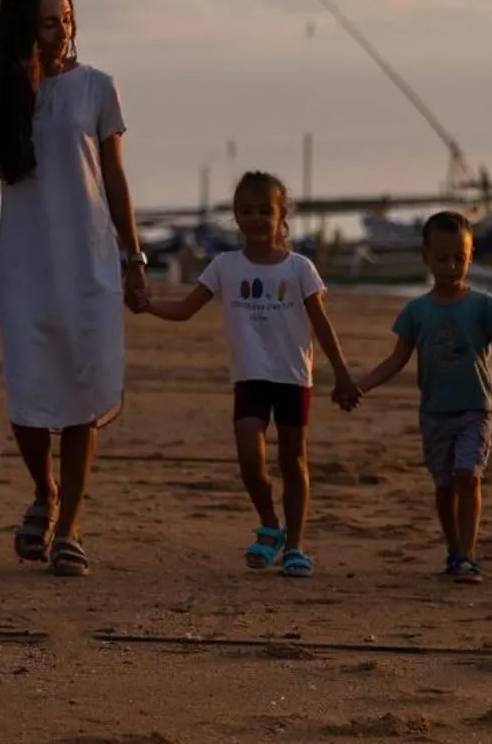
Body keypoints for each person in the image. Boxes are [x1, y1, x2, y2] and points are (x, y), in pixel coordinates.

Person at [0, 0, 148, 578]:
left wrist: (134, 257)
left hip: (89, 262)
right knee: (29, 392)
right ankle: (45, 488)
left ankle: (69, 528)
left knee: (84, 393)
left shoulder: (98, 88)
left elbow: (115, 179)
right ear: (23, 28)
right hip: (24, 266)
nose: (62, 31)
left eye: (66, 19)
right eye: (47, 22)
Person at [138, 170, 360, 578]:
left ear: (281, 215)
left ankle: (295, 545)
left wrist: (342, 375)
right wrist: (149, 305)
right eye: (246, 211)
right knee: (249, 456)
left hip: (292, 376)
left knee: (292, 460)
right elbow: (186, 308)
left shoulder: (300, 268)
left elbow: (322, 325)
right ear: (236, 215)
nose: (255, 219)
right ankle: (270, 524)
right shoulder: (225, 266)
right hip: (250, 377)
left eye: (264, 211)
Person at [355, 210, 492, 584]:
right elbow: (397, 359)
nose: (450, 267)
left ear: (471, 256)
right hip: (434, 412)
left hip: (475, 408)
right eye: (442, 258)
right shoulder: (416, 311)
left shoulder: (484, 305)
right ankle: (453, 549)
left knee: (468, 474)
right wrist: (362, 386)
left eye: (458, 259)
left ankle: (468, 554)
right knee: (444, 485)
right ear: (426, 256)